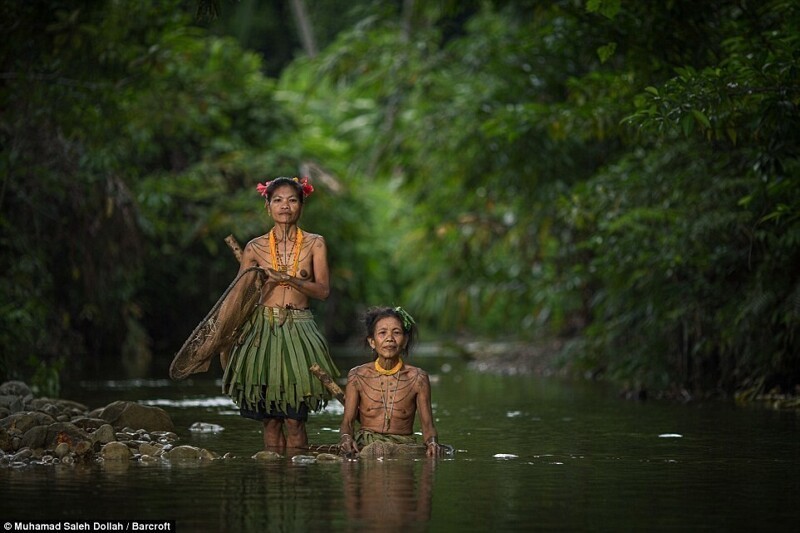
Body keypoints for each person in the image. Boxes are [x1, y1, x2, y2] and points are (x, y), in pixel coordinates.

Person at [221, 176, 340, 451]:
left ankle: (297, 481)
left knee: (294, 419)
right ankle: (274, 482)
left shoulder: (315, 244)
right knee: (271, 421)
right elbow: (238, 295)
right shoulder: (254, 247)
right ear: (268, 206)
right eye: (277, 200)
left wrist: (287, 278)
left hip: (300, 331)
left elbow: (322, 291)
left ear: (301, 205)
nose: (285, 206)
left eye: (292, 200)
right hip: (261, 332)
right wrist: (224, 334)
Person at [338, 306, 444, 458]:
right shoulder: (357, 376)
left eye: (396, 333)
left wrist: (432, 443)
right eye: (382, 333)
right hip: (366, 446)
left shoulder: (418, 378)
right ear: (372, 342)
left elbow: (428, 426)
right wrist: (346, 439)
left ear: (405, 341)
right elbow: (347, 423)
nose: (389, 338)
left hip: (403, 446)